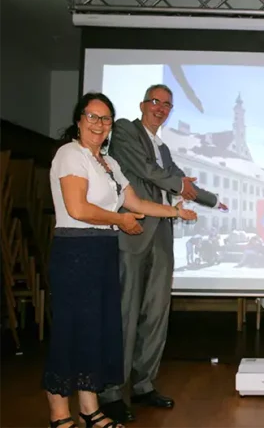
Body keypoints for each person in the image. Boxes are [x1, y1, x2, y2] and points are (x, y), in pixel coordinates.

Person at [44, 92, 197, 428]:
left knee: (95, 333)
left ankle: (90, 410)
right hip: (76, 252)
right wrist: (120, 220)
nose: (99, 124)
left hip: (103, 251)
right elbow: (78, 209)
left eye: (105, 119)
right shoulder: (70, 154)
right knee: (71, 333)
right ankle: (59, 415)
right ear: (79, 119)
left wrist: (176, 212)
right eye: (92, 116)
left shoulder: (109, 163)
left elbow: (137, 203)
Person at [99, 84, 227, 423]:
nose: (161, 108)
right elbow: (147, 172)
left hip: (161, 235)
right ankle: (111, 391)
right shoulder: (125, 130)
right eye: (155, 101)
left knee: (156, 313)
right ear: (143, 104)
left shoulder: (165, 150)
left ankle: (143, 384)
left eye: (167, 105)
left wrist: (209, 199)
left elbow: (176, 181)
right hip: (132, 232)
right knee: (125, 313)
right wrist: (185, 186)